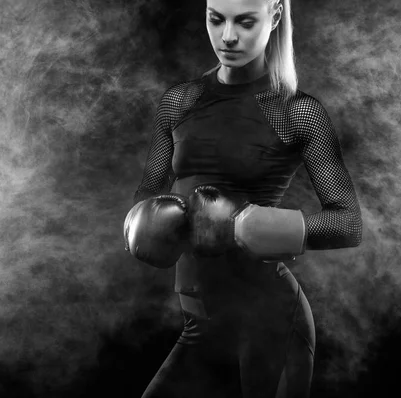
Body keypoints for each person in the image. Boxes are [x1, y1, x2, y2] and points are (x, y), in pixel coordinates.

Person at [123, 0, 363, 397]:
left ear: (275, 16)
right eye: (215, 19)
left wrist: (243, 226)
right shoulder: (179, 103)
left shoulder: (297, 112)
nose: (228, 36)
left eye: (245, 21)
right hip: (200, 324)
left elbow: (347, 223)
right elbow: (149, 188)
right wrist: (142, 220)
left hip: (271, 323)